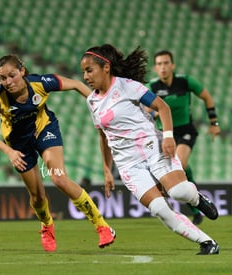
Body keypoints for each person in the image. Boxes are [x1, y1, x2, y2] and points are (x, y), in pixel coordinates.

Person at [80, 44, 219, 255]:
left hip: (153, 147)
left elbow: (162, 107)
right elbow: (103, 135)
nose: (85, 76)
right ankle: (207, 242)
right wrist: (107, 169)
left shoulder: (127, 86)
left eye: (89, 70)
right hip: (128, 164)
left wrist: (169, 137)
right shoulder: (92, 101)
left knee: (179, 192)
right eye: (83, 72)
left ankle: (197, 199)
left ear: (106, 67)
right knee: (160, 209)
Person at [0, 54, 116, 252]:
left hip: (44, 129)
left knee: (59, 177)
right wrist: (9, 152)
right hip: (18, 145)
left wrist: (99, 105)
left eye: (12, 75)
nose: (8, 82)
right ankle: (47, 225)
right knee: (37, 197)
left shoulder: (40, 83)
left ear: (22, 71)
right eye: (2, 78)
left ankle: (102, 226)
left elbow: (77, 85)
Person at [147, 50, 221, 225]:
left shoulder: (186, 81)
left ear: (172, 65)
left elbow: (206, 97)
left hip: (185, 131)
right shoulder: (152, 87)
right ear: (155, 68)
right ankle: (196, 208)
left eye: (166, 63)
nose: (163, 67)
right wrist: (152, 114)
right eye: (159, 64)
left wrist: (214, 123)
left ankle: (195, 202)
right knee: (181, 169)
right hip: (164, 134)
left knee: (179, 163)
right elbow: (146, 110)